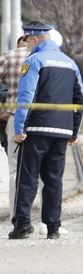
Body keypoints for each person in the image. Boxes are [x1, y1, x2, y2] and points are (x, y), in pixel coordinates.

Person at [9, 22, 83, 239]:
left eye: (27, 41)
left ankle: (22, 225)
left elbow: (27, 97)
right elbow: (80, 99)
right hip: (61, 131)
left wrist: (19, 127)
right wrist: (74, 131)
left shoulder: (34, 61)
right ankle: (53, 227)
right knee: (54, 180)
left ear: (34, 39)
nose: (27, 46)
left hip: (36, 129)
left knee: (27, 179)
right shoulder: (71, 63)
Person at [0, 34, 29, 215]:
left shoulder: (9, 56)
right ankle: (46, 219)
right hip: (42, 119)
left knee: (14, 168)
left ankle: (16, 215)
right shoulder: (57, 59)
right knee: (44, 170)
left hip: (13, 115)